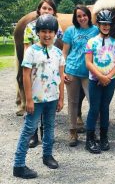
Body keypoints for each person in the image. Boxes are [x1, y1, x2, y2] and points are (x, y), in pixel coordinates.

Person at [13, 14, 65, 179]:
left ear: (55, 33)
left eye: (50, 31)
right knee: (29, 129)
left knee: (49, 127)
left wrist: (61, 98)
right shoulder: (31, 52)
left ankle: (47, 155)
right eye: (43, 31)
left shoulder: (58, 53)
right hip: (35, 100)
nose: (47, 35)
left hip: (52, 98)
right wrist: (28, 99)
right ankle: (19, 164)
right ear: (38, 33)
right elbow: (26, 76)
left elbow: (61, 77)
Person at [20, 0, 63, 149]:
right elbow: (27, 47)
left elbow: (58, 46)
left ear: (54, 12)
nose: (46, 11)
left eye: (50, 9)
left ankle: (46, 136)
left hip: (50, 66)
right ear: (39, 10)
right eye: (44, 8)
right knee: (34, 104)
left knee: (48, 104)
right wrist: (30, 65)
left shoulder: (56, 28)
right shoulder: (30, 27)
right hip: (34, 67)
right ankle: (33, 135)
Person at [85, 9, 115, 154]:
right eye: (103, 24)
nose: (106, 26)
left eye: (108, 24)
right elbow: (88, 62)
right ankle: (89, 139)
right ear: (98, 25)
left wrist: (108, 77)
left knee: (105, 107)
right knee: (94, 108)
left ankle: (104, 137)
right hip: (95, 80)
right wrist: (100, 76)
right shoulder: (91, 42)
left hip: (110, 81)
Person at [62, 5, 99, 147]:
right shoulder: (70, 31)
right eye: (79, 16)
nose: (82, 18)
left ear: (89, 16)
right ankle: (73, 131)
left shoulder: (95, 30)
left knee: (93, 101)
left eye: (84, 15)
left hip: (89, 72)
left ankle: (91, 131)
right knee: (72, 102)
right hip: (72, 70)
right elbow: (65, 52)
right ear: (75, 18)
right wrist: (63, 71)